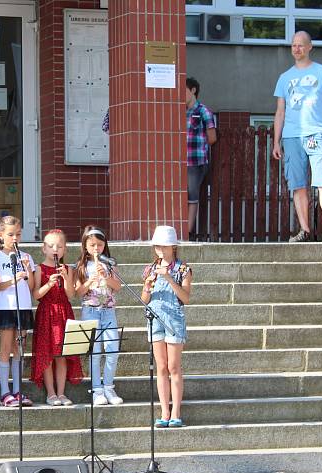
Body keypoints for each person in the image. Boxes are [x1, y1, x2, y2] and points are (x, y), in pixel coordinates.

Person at [272, 31, 322, 243]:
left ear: (310, 46)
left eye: (301, 45)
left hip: (317, 133)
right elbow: (280, 111)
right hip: (292, 136)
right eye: (293, 45)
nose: (296, 49)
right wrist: (276, 141)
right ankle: (305, 231)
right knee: (298, 185)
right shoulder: (284, 78)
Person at [141, 226, 193, 428]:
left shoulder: (183, 269)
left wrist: (169, 279)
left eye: (164, 246)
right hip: (155, 318)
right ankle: (164, 410)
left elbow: (186, 298)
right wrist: (147, 287)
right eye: (157, 247)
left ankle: (176, 411)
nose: (160, 251)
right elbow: (144, 299)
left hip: (174, 319)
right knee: (161, 367)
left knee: (173, 366)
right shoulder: (149, 269)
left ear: (173, 246)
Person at [31, 229, 81, 406]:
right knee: (47, 354)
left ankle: (61, 393)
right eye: (51, 245)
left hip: (64, 312)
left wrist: (67, 278)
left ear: (65, 250)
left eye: (59, 246)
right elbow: (36, 295)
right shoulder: (39, 269)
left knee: (62, 355)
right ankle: (50, 394)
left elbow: (71, 294)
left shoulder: (68, 269)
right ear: (44, 249)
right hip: (46, 313)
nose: (55, 249)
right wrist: (49, 284)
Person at [0, 215, 35, 407]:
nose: (15, 238)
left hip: (23, 306)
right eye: (10, 234)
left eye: (18, 234)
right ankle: (4, 393)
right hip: (5, 307)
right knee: (6, 349)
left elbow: (31, 286)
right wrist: (14, 279)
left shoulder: (27, 256)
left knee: (19, 350)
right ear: (0, 235)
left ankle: (18, 391)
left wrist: (27, 271)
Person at [75, 226, 123, 406]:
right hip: (90, 311)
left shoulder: (110, 263)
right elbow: (78, 292)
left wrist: (106, 277)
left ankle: (109, 387)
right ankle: (97, 390)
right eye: (92, 245)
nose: (96, 249)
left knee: (112, 350)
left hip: (108, 311)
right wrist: (91, 280)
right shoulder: (80, 265)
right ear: (85, 246)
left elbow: (117, 287)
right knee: (95, 353)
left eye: (100, 245)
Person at [185, 77, 217, 239]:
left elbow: (212, 137)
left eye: (183, 91)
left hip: (196, 161)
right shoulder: (179, 112)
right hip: (180, 161)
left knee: (192, 196)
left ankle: (188, 231)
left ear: (193, 90)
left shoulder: (203, 111)